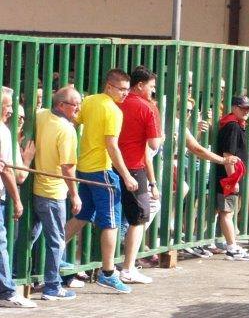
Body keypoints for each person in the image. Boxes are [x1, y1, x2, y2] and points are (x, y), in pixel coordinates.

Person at [63, 68, 139, 293]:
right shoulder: (114, 111)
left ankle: (53, 253)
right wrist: (126, 175)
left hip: (84, 169)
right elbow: (111, 145)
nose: (125, 93)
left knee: (82, 215)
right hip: (102, 170)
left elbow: (74, 122)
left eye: (127, 89)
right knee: (111, 222)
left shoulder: (91, 101)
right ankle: (107, 273)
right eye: (121, 89)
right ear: (109, 86)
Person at [30, 86, 82, 301]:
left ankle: (18, 275)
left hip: (36, 188)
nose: (78, 109)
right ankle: (52, 286)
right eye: (75, 105)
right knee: (56, 240)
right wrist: (74, 195)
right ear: (61, 105)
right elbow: (67, 167)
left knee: (31, 236)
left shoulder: (41, 115)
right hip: (53, 191)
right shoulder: (67, 129)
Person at [115, 66, 163, 284]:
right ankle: (128, 267)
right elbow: (153, 143)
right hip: (133, 166)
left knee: (106, 217)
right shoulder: (148, 108)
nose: (153, 91)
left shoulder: (115, 102)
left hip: (110, 164)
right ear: (140, 85)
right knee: (139, 218)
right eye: (151, 87)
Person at [0, 100, 34, 307]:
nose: (12, 112)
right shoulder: (3, 132)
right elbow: (7, 170)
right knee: (1, 243)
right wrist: (17, 199)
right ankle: (6, 291)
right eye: (7, 106)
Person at [213, 95, 249, 261]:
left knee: (227, 211)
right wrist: (233, 180)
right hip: (228, 178)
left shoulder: (235, 125)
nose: (246, 112)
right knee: (227, 212)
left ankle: (231, 245)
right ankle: (231, 247)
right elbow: (228, 155)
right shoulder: (232, 126)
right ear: (234, 108)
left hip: (230, 177)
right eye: (242, 108)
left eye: (248, 109)